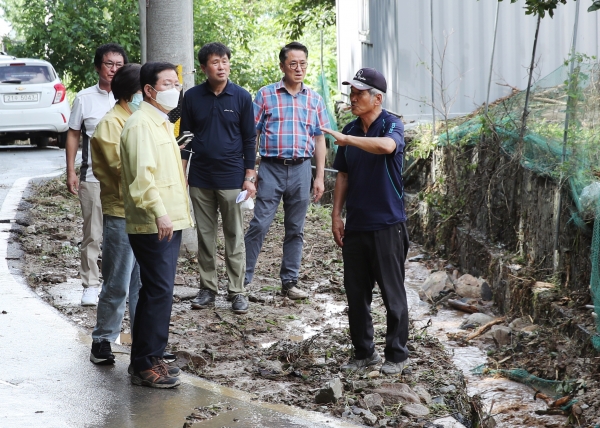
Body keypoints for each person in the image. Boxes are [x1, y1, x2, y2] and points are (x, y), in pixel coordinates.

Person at [323, 68, 410, 375]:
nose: (353, 98)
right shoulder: (350, 127)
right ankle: (363, 352)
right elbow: (343, 175)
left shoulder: (391, 124)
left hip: (387, 224)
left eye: (359, 94)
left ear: (377, 98)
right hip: (357, 224)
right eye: (352, 93)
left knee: (392, 294)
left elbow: (387, 147)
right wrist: (336, 215)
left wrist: (348, 140)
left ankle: (397, 355)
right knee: (356, 293)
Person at [120, 61, 193, 388]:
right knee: (158, 290)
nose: (174, 89)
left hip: (168, 219)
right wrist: (160, 212)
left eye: (176, 83)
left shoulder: (161, 123)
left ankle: (152, 357)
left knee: (158, 291)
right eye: (167, 84)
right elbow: (141, 179)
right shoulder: (140, 125)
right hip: (154, 222)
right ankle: (144, 364)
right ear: (149, 90)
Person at [244, 41, 329, 300]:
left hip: (302, 169)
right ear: (282, 66)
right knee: (260, 223)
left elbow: (319, 139)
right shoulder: (266, 95)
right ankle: (242, 280)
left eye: (303, 63)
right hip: (271, 168)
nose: (298, 68)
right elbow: (252, 135)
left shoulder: (314, 99)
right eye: (293, 63)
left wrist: (320, 176)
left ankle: (289, 282)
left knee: (296, 228)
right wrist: (251, 171)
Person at [181, 42, 256, 314]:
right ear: (204, 67)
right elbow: (186, 138)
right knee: (205, 236)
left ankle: (237, 291)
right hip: (200, 179)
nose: (221, 66)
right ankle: (207, 289)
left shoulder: (241, 97)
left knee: (234, 236)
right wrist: (182, 173)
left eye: (225, 61)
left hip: (232, 179)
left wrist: (250, 175)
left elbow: (250, 138)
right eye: (215, 62)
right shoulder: (191, 97)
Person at [65, 43, 128, 306]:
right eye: (108, 64)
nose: (113, 69)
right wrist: (71, 171)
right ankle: (90, 284)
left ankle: (117, 283)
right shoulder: (84, 98)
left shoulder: (131, 98)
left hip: (126, 180)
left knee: (121, 234)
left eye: (119, 65)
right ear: (98, 66)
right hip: (93, 178)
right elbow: (73, 134)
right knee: (93, 232)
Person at [88, 64, 142, 365]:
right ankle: (102, 340)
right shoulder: (112, 124)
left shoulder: (141, 119)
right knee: (118, 281)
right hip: (122, 211)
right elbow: (122, 170)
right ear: (132, 93)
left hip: (146, 211)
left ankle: (144, 343)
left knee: (143, 284)